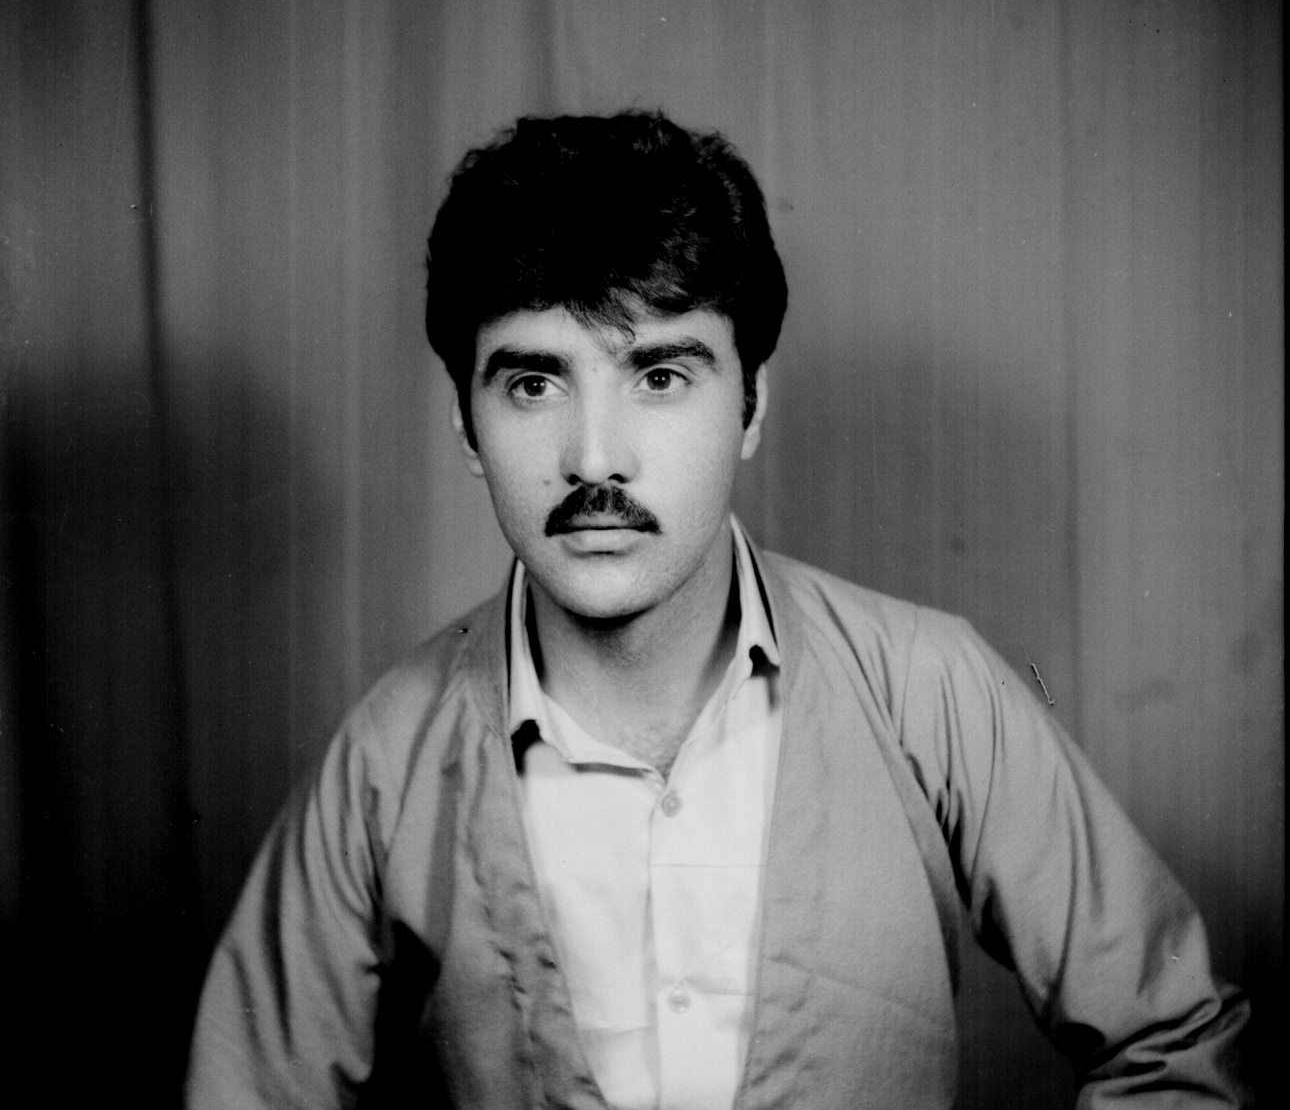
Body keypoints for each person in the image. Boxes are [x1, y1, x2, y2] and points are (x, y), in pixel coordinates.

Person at [186, 111, 1248, 1108]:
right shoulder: (386, 758)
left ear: (750, 404)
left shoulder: (931, 688)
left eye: (658, 375)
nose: (594, 459)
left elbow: (1172, 1040)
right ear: (467, 426)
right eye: (534, 384)